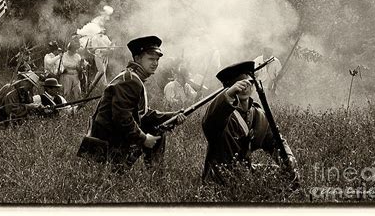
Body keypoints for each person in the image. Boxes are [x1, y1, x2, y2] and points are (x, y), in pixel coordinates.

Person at [78, 35, 186, 171]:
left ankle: (153, 174)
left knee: (157, 127)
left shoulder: (132, 77)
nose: (155, 63)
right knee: (155, 131)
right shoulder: (131, 80)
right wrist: (143, 138)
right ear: (137, 58)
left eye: (157, 59)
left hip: (111, 137)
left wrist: (173, 116)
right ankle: (155, 176)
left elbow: (143, 114)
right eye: (151, 59)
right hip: (108, 142)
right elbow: (122, 117)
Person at [201, 61, 298, 185]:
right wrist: (229, 95)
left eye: (249, 83)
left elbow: (275, 141)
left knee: (285, 173)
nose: (245, 87)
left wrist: (287, 158)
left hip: (244, 174)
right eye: (240, 85)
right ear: (229, 88)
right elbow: (210, 122)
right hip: (219, 177)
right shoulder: (221, 113)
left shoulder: (258, 115)